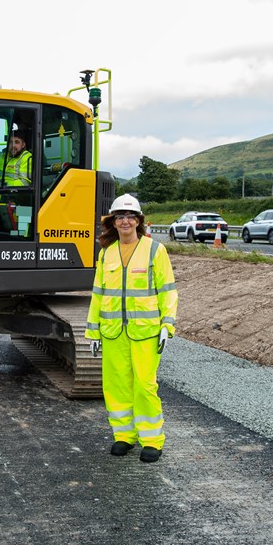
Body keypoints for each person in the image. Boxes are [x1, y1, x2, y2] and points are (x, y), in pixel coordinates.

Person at [85, 194, 177, 463]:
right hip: (113, 332)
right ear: (112, 222)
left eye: (130, 216)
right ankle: (124, 436)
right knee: (116, 386)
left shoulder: (154, 250)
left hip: (145, 331)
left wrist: (167, 325)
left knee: (145, 385)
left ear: (139, 221)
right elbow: (98, 294)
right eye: (120, 216)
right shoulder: (106, 253)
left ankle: (151, 439)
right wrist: (93, 331)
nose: (125, 221)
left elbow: (167, 290)